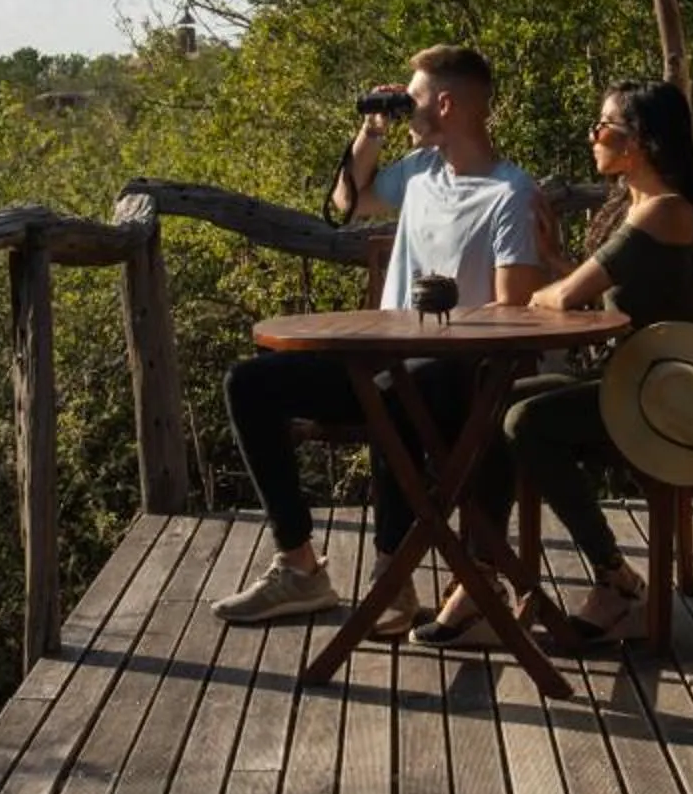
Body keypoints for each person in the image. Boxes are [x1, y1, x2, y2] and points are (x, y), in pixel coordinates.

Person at [211, 44, 550, 625]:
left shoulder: (509, 193)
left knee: (396, 392)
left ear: (445, 105)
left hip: (458, 373)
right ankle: (300, 570)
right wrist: (372, 129)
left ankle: (392, 577)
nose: (403, 108)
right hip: (386, 358)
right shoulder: (421, 172)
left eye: (411, 99)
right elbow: (347, 201)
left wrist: (442, 321)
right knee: (249, 383)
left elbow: (514, 308)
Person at [495, 78, 693, 649]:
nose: (593, 137)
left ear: (637, 142)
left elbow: (570, 297)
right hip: (628, 377)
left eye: (602, 127)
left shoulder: (663, 211)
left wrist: (551, 284)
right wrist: (554, 261)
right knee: (499, 402)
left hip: (658, 395)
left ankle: (615, 580)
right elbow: (602, 287)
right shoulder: (644, 206)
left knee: (528, 422)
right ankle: (484, 576)